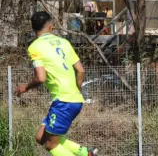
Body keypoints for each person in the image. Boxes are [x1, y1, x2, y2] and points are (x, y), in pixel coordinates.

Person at [15, 11, 98, 156]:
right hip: (71, 100)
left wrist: (25, 87)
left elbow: (40, 78)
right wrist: (76, 91)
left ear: (33, 28)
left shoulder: (34, 47)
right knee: (40, 137)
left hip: (63, 102)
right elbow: (80, 70)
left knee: (50, 145)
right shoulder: (64, 42)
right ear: (50, 27)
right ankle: (86, 153)